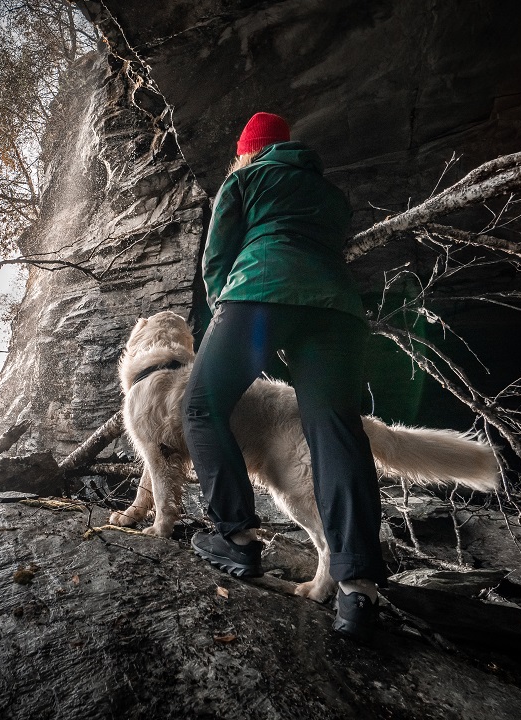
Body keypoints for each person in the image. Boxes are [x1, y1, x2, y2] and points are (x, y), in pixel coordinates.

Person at [183, 112, 386, 640]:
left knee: (202, 405)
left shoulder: (244, 178)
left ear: (248, 151)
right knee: (336, 430)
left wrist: (227, 312)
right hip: (337, 311)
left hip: (259, 290)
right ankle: (358, 588)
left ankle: (237, 538)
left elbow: (219, 254)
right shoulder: (330, 196)